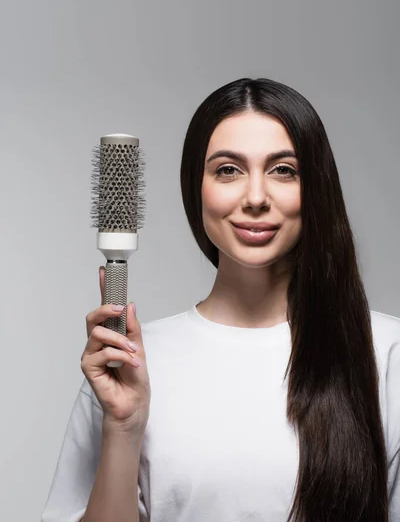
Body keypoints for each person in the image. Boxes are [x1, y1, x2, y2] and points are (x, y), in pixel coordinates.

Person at [42, 78, 400, 522]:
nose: (255, 198)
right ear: (196, 186)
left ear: (316, 188)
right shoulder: (129, 365)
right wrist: (124, 426)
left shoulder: (387, 353)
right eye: (228, 170)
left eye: (283, 170)